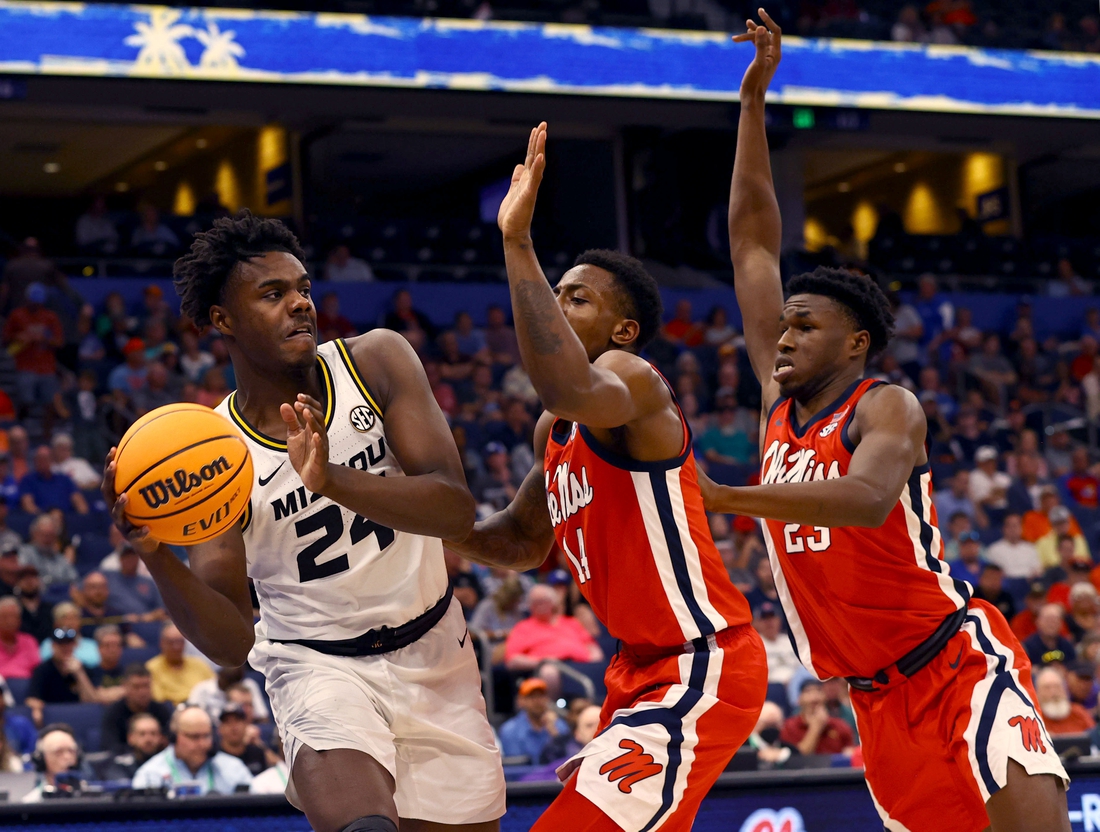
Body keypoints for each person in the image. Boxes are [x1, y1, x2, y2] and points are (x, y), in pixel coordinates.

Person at [698, 14, 1069, 832]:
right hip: (870, 700)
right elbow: (752, 246)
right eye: (782, 326)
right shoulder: (777, 400)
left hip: (955, 664)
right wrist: (753, 106)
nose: (783, 336)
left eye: (805, 327)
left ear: (855, 342)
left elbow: (867, 500)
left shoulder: (884, 405)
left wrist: (726, 499)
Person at [104, 210, 504, 832]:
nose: (300, 304)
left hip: (437, 652)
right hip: (318, 667)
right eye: (274, 294)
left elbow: (453, 506)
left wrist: (332, 480)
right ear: (222, 319)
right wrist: (153, 551)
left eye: (304, 288)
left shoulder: (374, 361)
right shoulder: (213, 457)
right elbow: (233, 640)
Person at [446, 121, 766, 832]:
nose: (559, 307)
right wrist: (405, 513)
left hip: (700, 661)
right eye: (556, 294)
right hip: (636, 673)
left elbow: (566, 387)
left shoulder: (630, 380)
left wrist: (517, 243)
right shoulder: (552, 432)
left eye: (578, 299)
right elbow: (522, 543)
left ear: (623, 330)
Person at [132, 706, 252, 794]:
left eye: (206, 736)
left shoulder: (234, 769)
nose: (202, 744)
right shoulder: (150, 774)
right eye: (194, 737)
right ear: (174, 737)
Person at [25, 628, 99, 726]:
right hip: (52, 720)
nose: (65, 648)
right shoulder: (42, 670)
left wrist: (79, 674)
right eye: (61, 644)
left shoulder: (83, 669)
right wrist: (37, 708)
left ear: (74, 645)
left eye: (69, 643)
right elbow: (32, 698)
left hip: (78, 718)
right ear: (53, 646)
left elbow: (91, 700)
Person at [101, 664, 174, 752]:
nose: (142, 692)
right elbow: (110, 747)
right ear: (125, 686)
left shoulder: (161, 711)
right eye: (136, 687)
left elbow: (172, 742)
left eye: (146, 686)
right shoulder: (113, 714)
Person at [497, 678, 569, 761]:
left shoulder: (560, 726)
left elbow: (566, 761)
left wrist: (555, 735)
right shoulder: (509, 730)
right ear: (521, 700)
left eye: (541, 696)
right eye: (532, 697)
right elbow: (516, 767)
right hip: (526, 774)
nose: (537, 701)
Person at [779, 679, 854, 756]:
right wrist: (815, 728)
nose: (814, 697)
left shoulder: (841, 726)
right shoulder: (789, 727)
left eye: (818, 691)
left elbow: (850, 755)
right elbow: (795, 758)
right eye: (808, 692)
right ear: (799, 699)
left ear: (825, 696)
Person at [145, 624, 214, 705]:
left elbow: (214, 689)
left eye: (180, 642)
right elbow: (158, 699)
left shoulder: (199, 664)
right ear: (162, 643)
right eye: (171, 642)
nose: (176, 647)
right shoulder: (151, 668)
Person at [94, 712, 166, 781]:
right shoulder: (119, 764)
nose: (148, 739)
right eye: (142, 734)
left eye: (153, 734)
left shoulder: (168, 764)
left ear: (160, 737)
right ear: (130, 738)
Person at [19, 446, 88, 516]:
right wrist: (46, 518)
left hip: (67, 518)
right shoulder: (27, 480)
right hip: (41, 518)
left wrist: (83, 517)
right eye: (40, 459)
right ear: (35, 461)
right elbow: (28, 505)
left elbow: (79, 501)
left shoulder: (64, 479)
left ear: (52, 460)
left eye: (46, 459)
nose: (43, 462)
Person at [18, 515, 79, 593]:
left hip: (59, 599)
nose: (47, 539)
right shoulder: (24, 553)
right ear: (34, 534)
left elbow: (74, 580)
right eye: (43, 535)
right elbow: (23, 578)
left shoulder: (60, 559)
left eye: (51, 535)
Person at [24, 724, 83, 802]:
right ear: (41, 759)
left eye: (71, 751)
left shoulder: (95, 797)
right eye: (58, 752)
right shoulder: (30, 803)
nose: (67, 757)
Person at [1034, 668, 1094, 735]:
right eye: (1047, 688)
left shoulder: (1079, 713)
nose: (1053, 693)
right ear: (1037, 693)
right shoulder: (1033, 718)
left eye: (1057, 687)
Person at [754, 602, 800, 685]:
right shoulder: (754, 644)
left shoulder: (789, 641)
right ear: (756, 623)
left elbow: (801, 669)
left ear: (779, 620)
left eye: (772, 617)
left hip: (795, 685)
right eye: (764, 618)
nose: (769, 622)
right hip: (770, 687)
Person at [217, 702, 268, 776]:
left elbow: (279, 770)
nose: (233, 727)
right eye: (227, 722)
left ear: (246, 725)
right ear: (220, 728)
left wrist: (259, 744)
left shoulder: (257, 753)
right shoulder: (214, 757)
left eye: (237, 721)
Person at [985, 514, 1042, 581]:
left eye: (1015, 526)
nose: (1013, 529)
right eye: (1009, 526)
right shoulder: (994, 550)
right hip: (1005, 585)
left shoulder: (1030, 548)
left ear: (1021, 528)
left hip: (1028, 583)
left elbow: (1037, 570)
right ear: (1003, 528)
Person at [1023, 604, 1076, 669]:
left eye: (1055, 620)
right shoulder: (1028, 647)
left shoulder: (1067, 646)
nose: (1051, 624)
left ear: (1061, 623)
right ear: (1038, 622)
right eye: (1047, 620)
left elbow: (1074, 669)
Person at [0, 594, 40, 679]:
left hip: (26, 688)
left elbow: (37, 671)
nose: (10, 621)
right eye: (5, 617)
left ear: (20, 620)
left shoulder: (29, 641)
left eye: (13, 617)